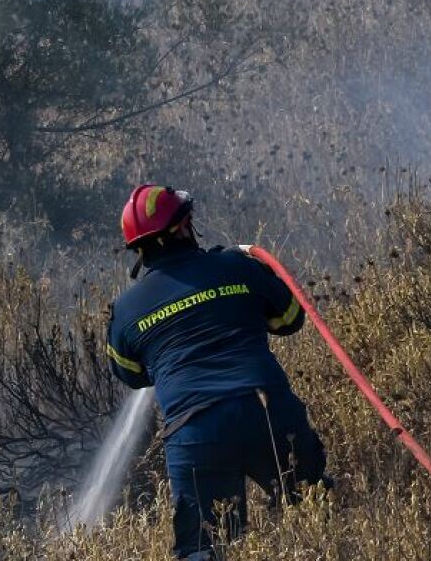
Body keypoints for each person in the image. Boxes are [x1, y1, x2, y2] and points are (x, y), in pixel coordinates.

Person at [106, 184, 330, 560]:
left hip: (195, 434)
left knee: (204, 549)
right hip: (269, 410)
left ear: (139, 249)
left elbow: (131, 374)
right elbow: (290, 318)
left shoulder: (126, 310)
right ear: (182, 228)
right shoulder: (236, 266)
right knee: (314, 508)